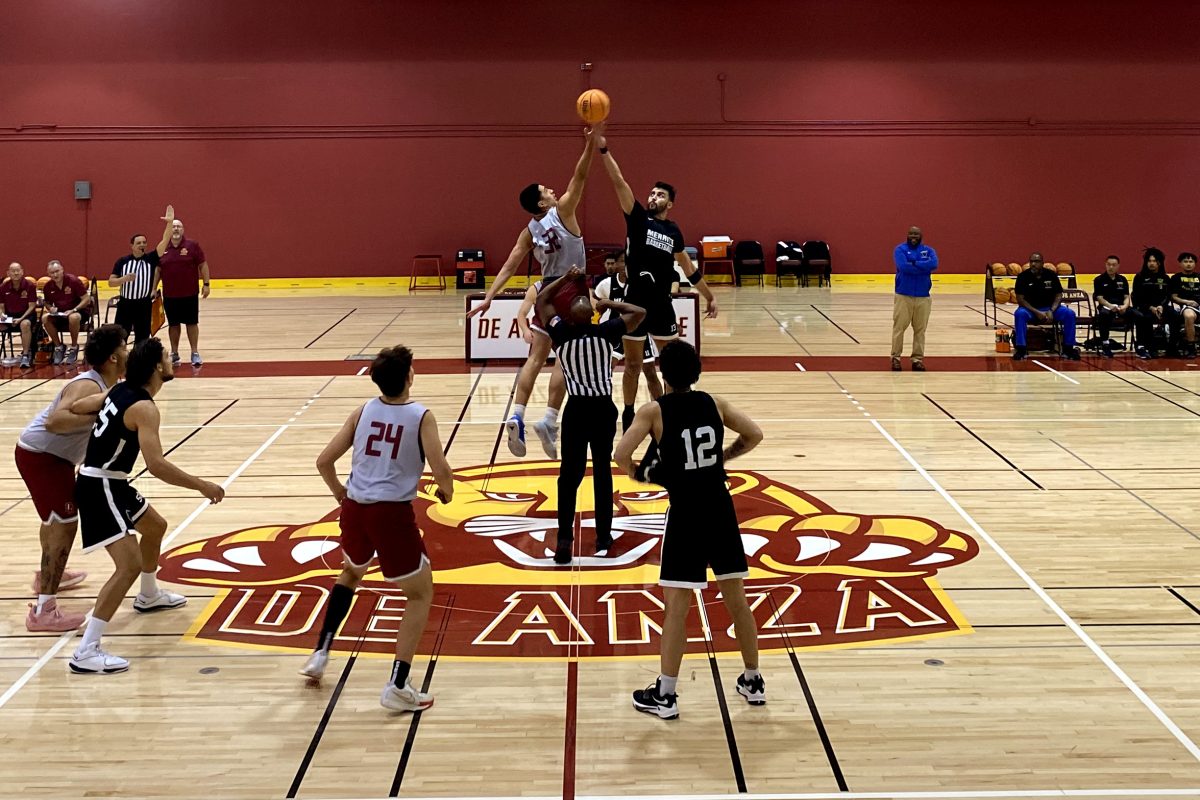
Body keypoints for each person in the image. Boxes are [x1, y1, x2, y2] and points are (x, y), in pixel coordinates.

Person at [614, 340, 765, 720]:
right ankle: (753, 680)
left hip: (685, 512)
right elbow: (754, 434)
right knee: (737, 600)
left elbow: (621, 455)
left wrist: (646, 475)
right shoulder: (715, 404)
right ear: (696, 372)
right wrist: (723, 457)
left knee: (677, 609)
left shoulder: (653, 411)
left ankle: (665, 694)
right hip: (720, 506)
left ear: (663, 374)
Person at [300, 345, 454, 713]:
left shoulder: (364, 410)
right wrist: (446, 491)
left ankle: (320, 653)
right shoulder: (421, 416)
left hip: (354, 508)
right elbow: (440, 467)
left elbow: (323, 461)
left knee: (351, 572)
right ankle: (398, 685)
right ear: (410, 376)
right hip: (390, 513)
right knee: (420, 593)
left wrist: (341, 494)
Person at [68, 338, 225, 674]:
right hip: (100, 484)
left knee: (155, 527)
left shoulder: (119, 391)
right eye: (167, 356)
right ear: (156, 367)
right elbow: (157, 465)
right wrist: (202, 485)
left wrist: (74, 410)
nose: (172, 360)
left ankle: (149, 595)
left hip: (112, 480)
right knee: (128, 565)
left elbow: (80, 407)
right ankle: (86, 650)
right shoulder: (144, 407)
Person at [466, 128, 598, 459]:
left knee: (535, 358)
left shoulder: (528, 231)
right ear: (543, 202)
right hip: (573, 289)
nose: (553, 190)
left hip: (546, 294)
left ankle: (517, 413)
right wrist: (590, 145)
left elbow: (509, 266)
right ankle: (549, 421)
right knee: (567, 361)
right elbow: (579, 176)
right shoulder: (565, 210)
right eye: (546, 190)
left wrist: (488, 298)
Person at [594, 123, 717, 431]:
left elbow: (687, 268)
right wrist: (603, 149)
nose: (653, 196)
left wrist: (709, 295)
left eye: (660, 194)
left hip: (662, 305)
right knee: (633, 365)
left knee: (672, 366)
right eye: (651, 192)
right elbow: (619, 181)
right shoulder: (637, 219)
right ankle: (628, 413)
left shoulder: (673, 230)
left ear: (670, 203)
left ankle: (671, 412)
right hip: (635, 304)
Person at [15, 324, 128, 632]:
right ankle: (43, 613)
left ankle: (47, 576)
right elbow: (56, 421)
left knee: (55, 522)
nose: (127, 351)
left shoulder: (104, 385)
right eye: (124, 346)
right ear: (113, 357)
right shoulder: (88, 386)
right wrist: (106, 415)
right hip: (42, 457)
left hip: (54, 458)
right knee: (64, 525)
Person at [534, 267, 644, 564]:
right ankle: (604, 536)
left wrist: (565, 280)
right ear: (593, 316)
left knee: (569, 476)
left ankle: (564, 539)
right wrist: (610, 305)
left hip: (577, 410)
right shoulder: (605, 331)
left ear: (569, 316)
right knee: (603, 472)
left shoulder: (561, 334)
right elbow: (639, 312)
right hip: (603, 409)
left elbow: (542, 301)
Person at [594, 251, 663, 398]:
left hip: (638, 332)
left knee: (650, 371)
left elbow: (652, 308)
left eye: (628, 261)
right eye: (622, 261)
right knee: (605, 370)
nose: (625, 265)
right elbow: (596, 303)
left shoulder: (641, 283)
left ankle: (661, 406)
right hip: (616, 332)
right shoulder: (606, 284)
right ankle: (601, 404)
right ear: (617, 264)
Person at [110, 207, 175, 342]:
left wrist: (170, 223)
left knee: (142, 338)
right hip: (125, 305)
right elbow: (111, 282)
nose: (142, 245)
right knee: (120, 338)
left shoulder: (151, 259)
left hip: (143, 305)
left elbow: (165, 240)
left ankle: (139, 362)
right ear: (132, 245)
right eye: (138, 243)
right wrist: (124, 279)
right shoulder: (122, 261)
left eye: (144, 242)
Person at [156, 217, 210, 367]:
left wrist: (206, 284)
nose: (176, 229)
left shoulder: (192, 246)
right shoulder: (163, 247)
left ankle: (195, 352)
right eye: (173, 227)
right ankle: (174, 353)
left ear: (183, 230)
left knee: (192, 324)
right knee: (173, 325)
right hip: (170, 295)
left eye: (179, 226)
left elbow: (203, 265)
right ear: (168, 230)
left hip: (190, 294)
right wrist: (153, 289)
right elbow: (158, 270)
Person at [1012, 252, 1080, 361]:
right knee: (1019, 314)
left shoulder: (1051, 275)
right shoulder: (1022, 277)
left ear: (1042, 263)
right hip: (1030, 310)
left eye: (1036, 261)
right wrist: (1037, 312)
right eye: (1031, 261)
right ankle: (1021, 348)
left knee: (1069, 314)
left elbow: (1058, 295)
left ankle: (1068, 348)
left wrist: (1051, 310)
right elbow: (1020, 299)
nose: (1033, 264)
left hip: (1050, 308)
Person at [891, 226, 938, 371]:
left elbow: (934, 264)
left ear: (921, 236)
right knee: (899, 328)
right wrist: (923, 267)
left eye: (916, 234)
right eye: (911, 233)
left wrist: (914, 263)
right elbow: (903, 266)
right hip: (903, 295)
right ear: (907, 235)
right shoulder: (900, 250)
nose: (913, 236)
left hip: (923, 297)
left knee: (920, 330)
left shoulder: (929, 250)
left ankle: (917, 359)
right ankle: (895, 358)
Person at [41, 260, 93, 366]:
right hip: (61, 314)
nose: (55, 275)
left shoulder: (73, 281)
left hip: (79, 312)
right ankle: (59, 347)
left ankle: (74, 347)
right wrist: (50, 308)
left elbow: (86, 299)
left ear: (62, 270)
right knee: (45, 318)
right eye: (52, 273)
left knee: (73, 317)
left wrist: (74, 310)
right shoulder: (47, 286)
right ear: (48, 274)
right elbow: (47, 302)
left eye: (57, 271)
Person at [1132, 247, 1174, 360]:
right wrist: (1150, 307)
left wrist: (1162, 306)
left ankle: (1172, 346)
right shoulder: (1139, 277)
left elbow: (1167, 295)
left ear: (1159, 263)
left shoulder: (1165, 278)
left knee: (1174, 315)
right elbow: (1136, 297)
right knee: (1145, 317)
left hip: (1161, 307)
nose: (1151, 263)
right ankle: (1150, 347)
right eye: (1149, 261)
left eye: (1154, 261)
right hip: (1145, 308)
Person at [1092, 255, 1135, 358]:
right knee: (1103, 315)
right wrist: (1110, 306)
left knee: (1138, 314)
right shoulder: (1099, 279)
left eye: (1113, 265)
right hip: (1107, 307)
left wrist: (1125, 306)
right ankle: (1105, 343)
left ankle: (1141, 344)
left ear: (1118, 266)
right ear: (1105, 265)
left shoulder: (1122, 279)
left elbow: (1126, 296)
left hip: (1121, 307)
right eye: (1109, 264)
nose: (1111, 267)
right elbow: (1100, 298)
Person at [0, 261, 38, 368]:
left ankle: (25, 355)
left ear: (22, 272)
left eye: (18, 271)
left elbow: (32, 306)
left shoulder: (30, 286)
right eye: (13, 271)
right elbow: (1, 306)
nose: (15, 273)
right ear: (8, 273)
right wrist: (2, 315)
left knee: (24, 324)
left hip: (26, 316)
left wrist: (20, 319)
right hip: (10, 317)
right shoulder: (3, 287)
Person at [1169, 252, 1200, 358]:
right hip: (1186, 306)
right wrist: (1187, 302)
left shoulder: (1199, 277)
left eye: (1191, 261)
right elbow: (1173, 297)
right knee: (1189, 316)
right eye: (1185, 261)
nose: (1188, 264)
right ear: (1180, 263)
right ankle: (1191, 346)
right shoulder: (1176, 278)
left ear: (1195, 264)